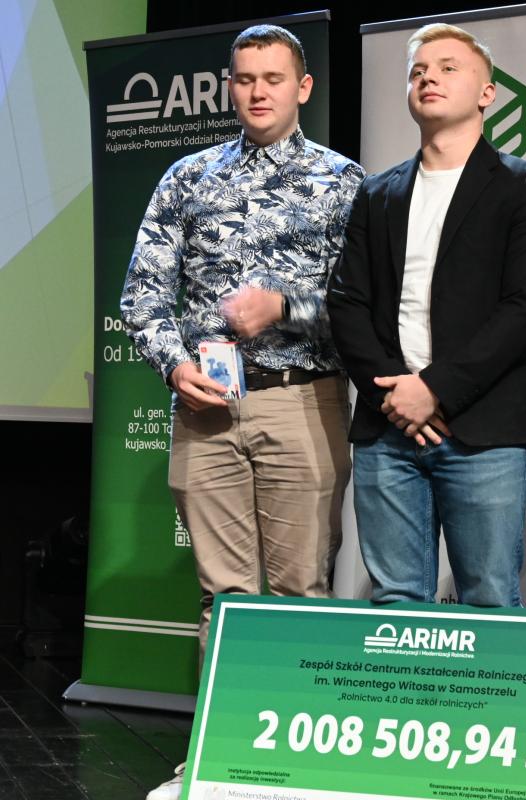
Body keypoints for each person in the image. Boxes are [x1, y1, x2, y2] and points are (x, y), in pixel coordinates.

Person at [119, 24, 363, 800]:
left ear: (303, 88)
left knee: (300, 593)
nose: (257, 92)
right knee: (223, 598)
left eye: (272, 78)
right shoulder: (188, 178)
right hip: (208, 409)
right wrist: (174, 364)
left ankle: (301, 765)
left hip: (302, 400)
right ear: (230, 86)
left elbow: (365, 306)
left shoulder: (343, 182)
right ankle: (222, 755)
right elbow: (142, 297)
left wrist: (284, 306)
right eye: (244, 78)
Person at [327, 24, 526, 608]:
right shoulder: (377, 192)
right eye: (418, 71)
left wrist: (433, 390)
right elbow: (347, 302)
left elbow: (523, 309)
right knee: (395, 604)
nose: (428, 77)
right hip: (387, 428)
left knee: (489, 600)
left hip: (485, 431)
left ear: (487, 93)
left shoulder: (525, 184)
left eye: (448, 67)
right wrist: (393, 395)